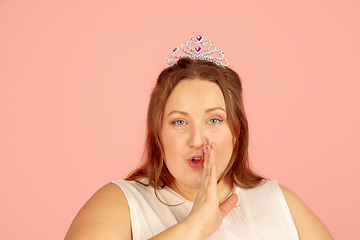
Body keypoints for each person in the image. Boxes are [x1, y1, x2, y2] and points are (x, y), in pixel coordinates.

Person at [64, 36, 334, 240]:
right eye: (180, 122)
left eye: (214, 120)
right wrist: (192, 228)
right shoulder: (120, 202)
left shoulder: (280, 202)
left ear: (237, 132)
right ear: (158, 134)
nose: (197, 139)